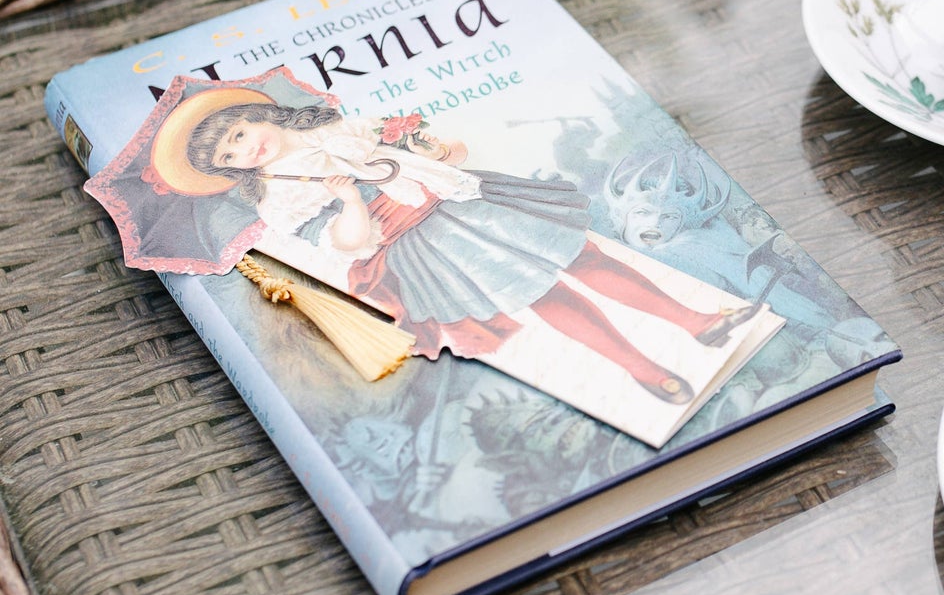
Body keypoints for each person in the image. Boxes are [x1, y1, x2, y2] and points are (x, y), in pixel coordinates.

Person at [149, 86, 756, 405]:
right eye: (229, 155)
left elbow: (448, 153)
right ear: (228, 171)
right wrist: (350, 200)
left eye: (239, 132)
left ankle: (698, 320)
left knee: (581, 256)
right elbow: (346, 246)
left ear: (258, 116)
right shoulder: (279, 197)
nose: (244, 149)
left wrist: (430, 147)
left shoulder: (339, 127)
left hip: (460, 197)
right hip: (418, 241)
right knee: (539, 292)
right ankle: (645, 370)